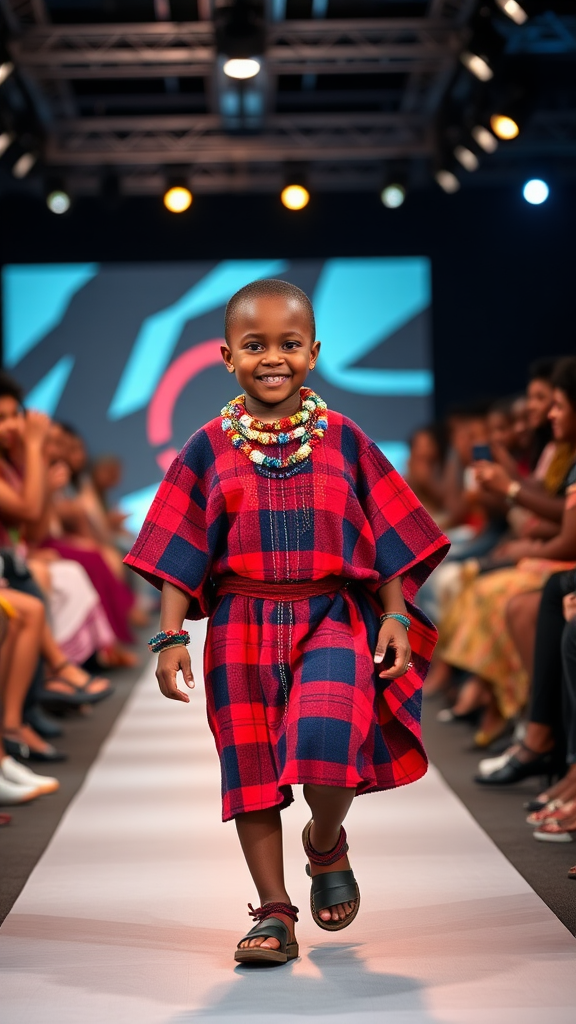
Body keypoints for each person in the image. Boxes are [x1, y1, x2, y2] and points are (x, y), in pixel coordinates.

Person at [125, 279, 449, 966]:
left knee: (332, 744)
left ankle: (325, 841)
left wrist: (394, 615)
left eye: (289, 343)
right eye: (254, 345)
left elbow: (384, 532)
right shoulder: (208, 446)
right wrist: (171, 635)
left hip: (333, 611)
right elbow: (179, 546)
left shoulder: (344, 438)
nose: (272, 357)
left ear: (313, 351)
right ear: (225, 355)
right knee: (251, 769)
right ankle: (273, 911)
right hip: (241, 622)